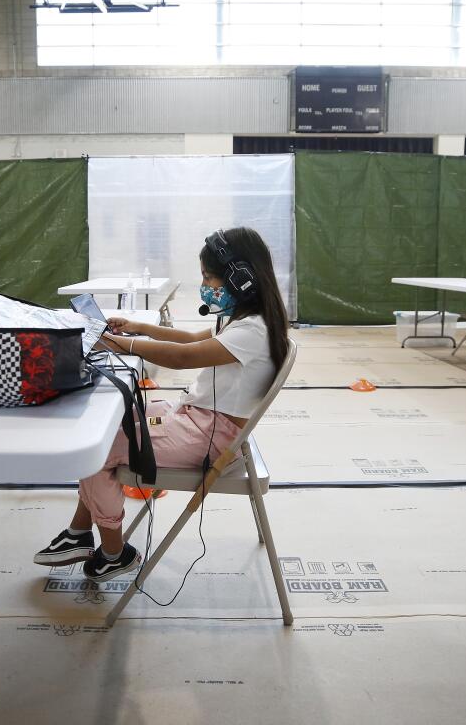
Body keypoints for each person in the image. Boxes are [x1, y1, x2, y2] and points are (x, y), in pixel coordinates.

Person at [33, 227, 290, 582]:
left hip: (209, 439)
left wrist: (122, 345)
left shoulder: (252, 331)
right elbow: (188, 338)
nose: (205, 285)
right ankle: (78, 533)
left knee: (97, 450)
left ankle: (113, 552)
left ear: (240, 279)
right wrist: (137, 328)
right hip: (198, 421)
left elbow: (184, 357)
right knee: (115, 423)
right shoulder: (248, 321)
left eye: (208, 276)